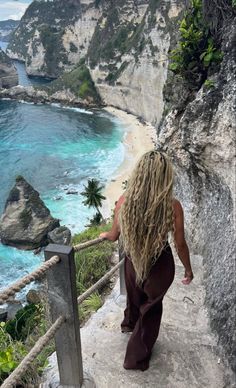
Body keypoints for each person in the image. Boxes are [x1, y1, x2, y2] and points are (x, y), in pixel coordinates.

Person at [99, 150, 193, 371]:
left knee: (134, 294)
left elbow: (113, 236)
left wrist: (104, 235)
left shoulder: (124, 202)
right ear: (164, 177)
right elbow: (180, 244)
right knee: (151, 309)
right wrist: (188, 270)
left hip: (133, 261)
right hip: (160, 265)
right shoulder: (172, 205)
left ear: (139, 174)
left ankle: (128, 324)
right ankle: (136, 359)